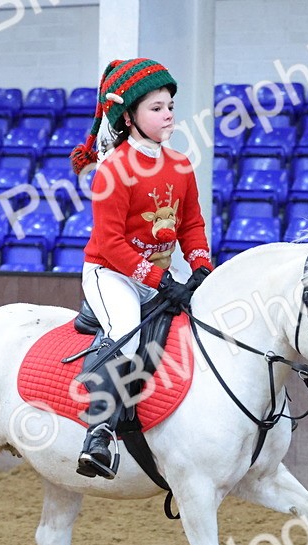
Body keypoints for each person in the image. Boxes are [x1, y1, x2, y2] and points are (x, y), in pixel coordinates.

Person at [68, 57, 214, 480]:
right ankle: (98, 432)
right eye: (156, 107)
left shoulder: (182, 166)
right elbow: (111, 245)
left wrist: (202, 267)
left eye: (169, 105)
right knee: (127, 338)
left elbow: (190, 224)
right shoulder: (113, 170)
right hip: (109, 273)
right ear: (129, 118)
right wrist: (160, 280)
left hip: (159, 275)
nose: (167, 113)